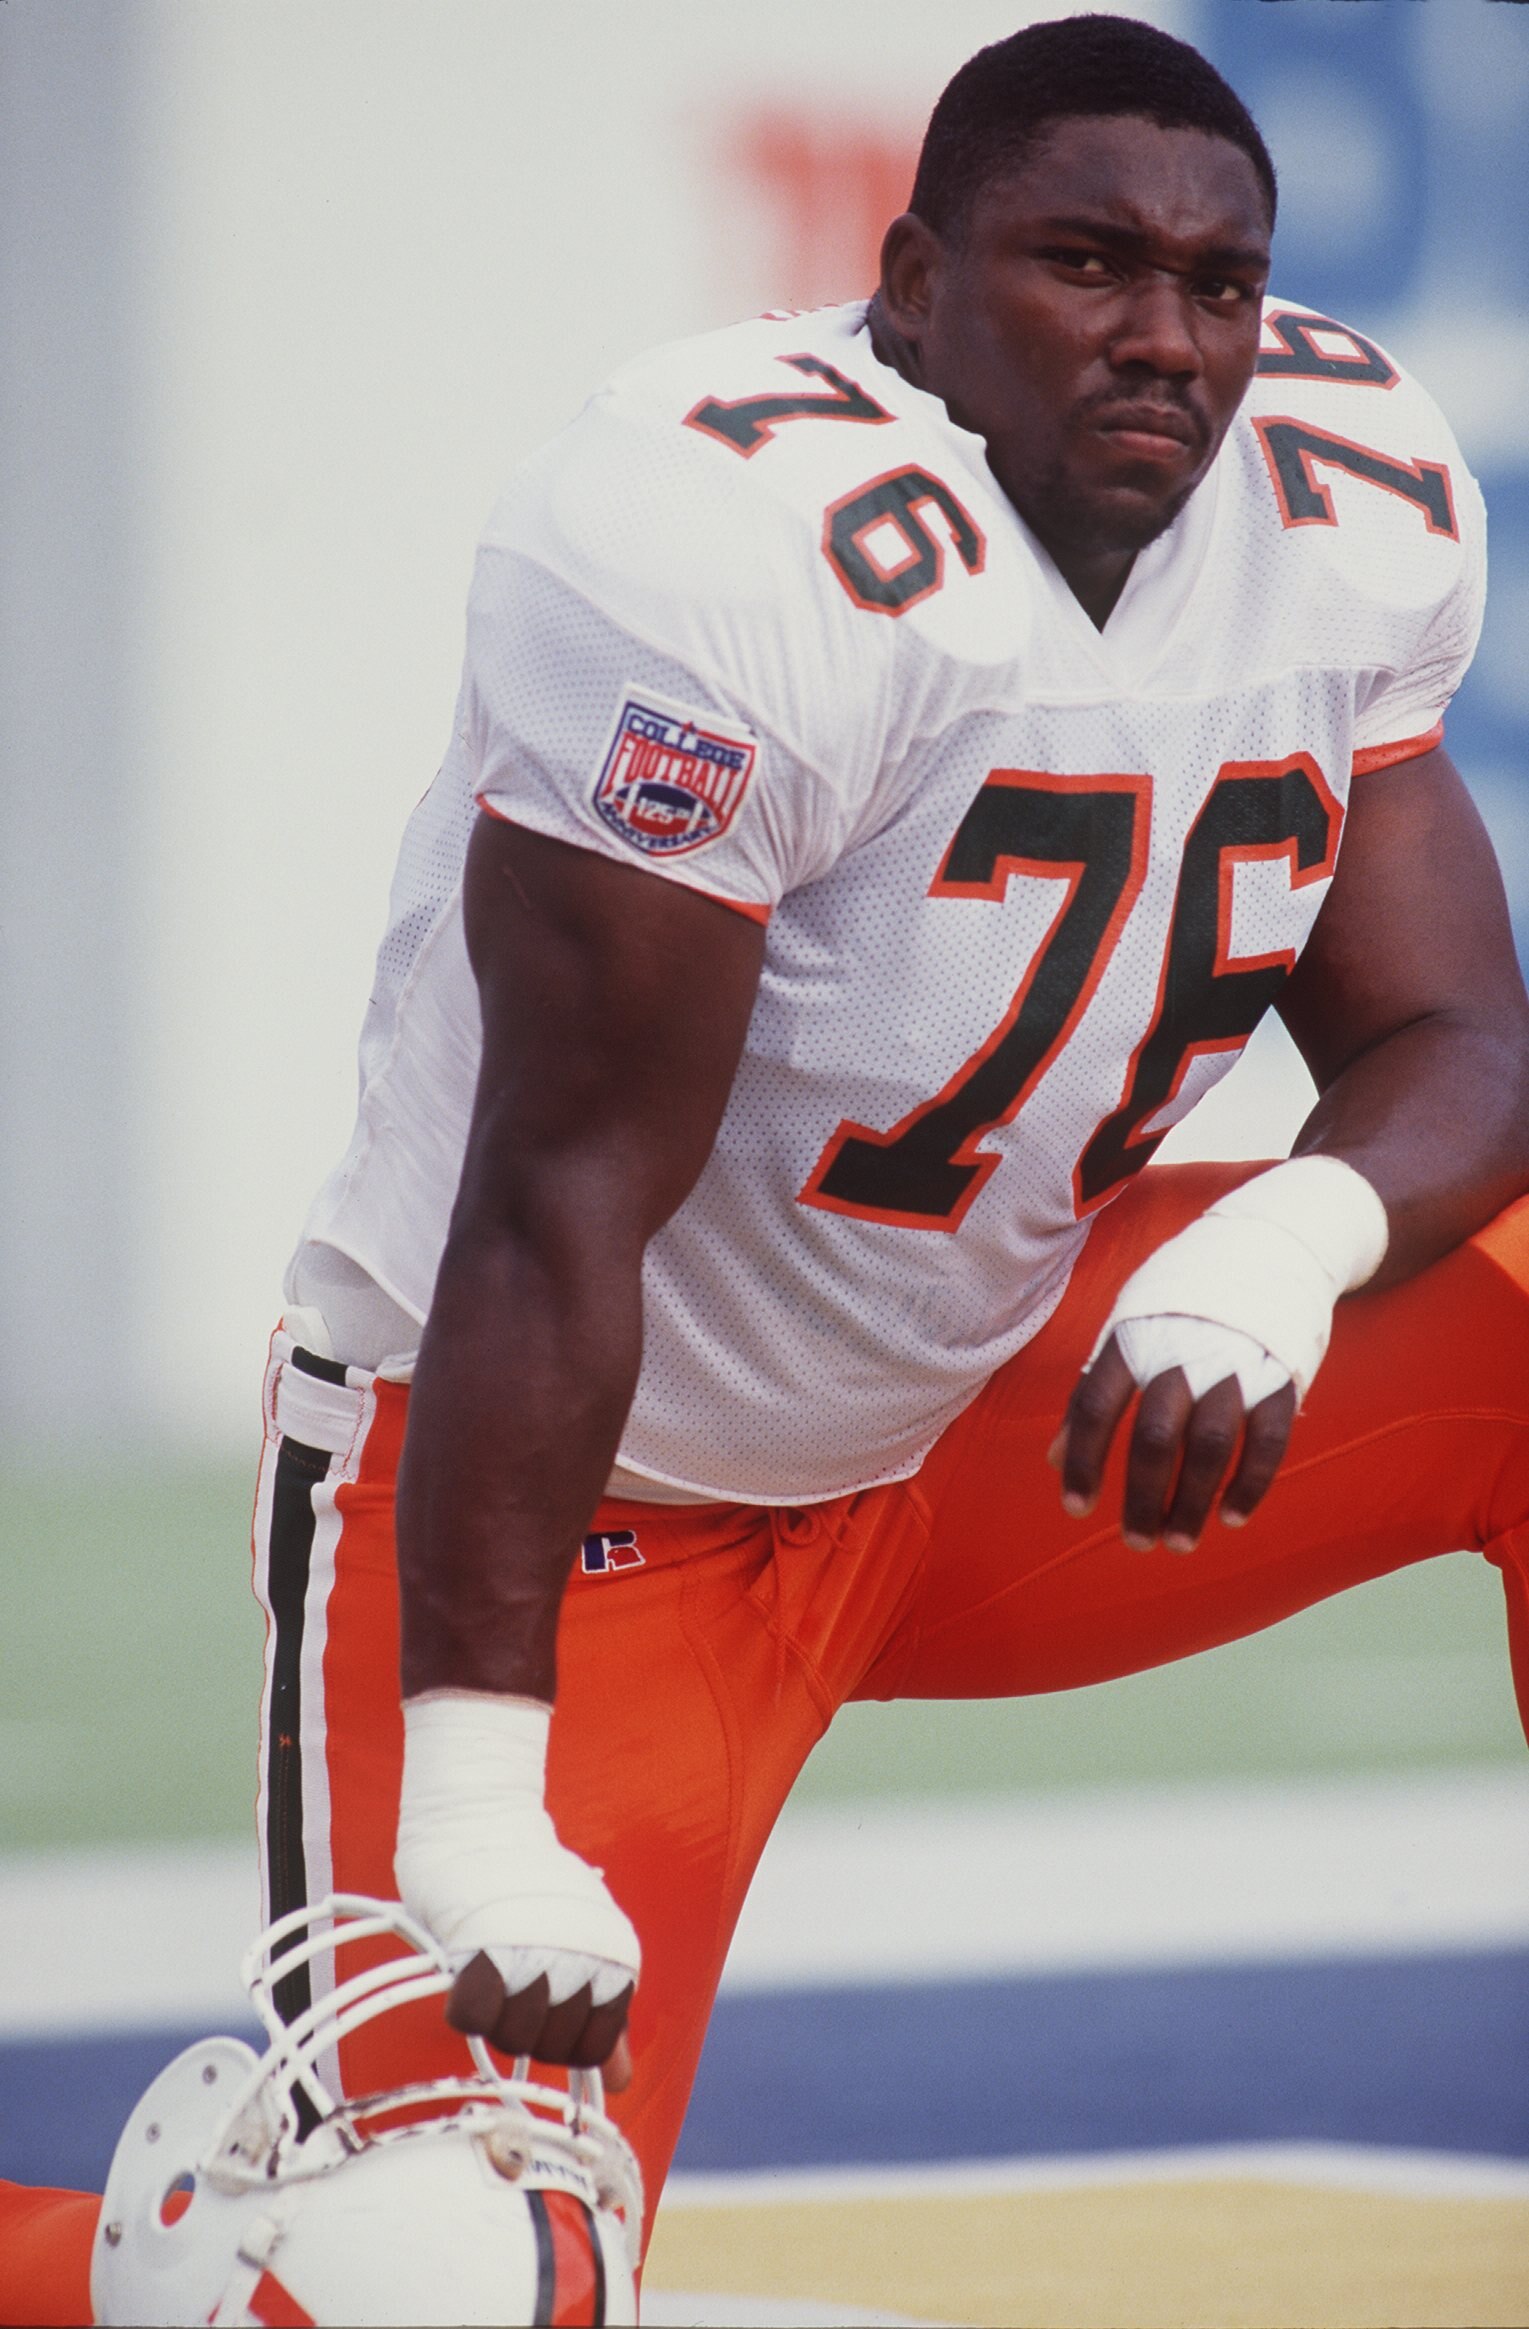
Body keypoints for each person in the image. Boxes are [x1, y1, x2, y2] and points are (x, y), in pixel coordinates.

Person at [8, 13, 1529, 2320]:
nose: (1169, 340)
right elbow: (550, 1199)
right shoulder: (717, 542)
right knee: (439, 2283)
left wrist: (1291, 1251)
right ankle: (147, 2264)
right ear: (909, 280)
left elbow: (1456, 1037)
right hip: (585, 1497)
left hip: (999, 1387)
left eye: (1218, 284)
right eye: (1086, 265)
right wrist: (485, 1799)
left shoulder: (1348, 488)